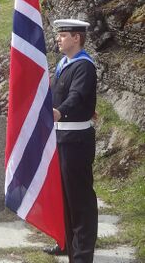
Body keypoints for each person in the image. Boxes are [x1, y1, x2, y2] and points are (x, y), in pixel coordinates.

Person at [43, 19, 98, 262]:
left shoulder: (84, 66)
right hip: (60, 136)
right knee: (63, 195)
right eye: (59, 35)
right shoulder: (63, 63)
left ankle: (83, 254)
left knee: (80, 197)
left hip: (75, 138)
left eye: (63, 35)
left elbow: (76, 95)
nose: (58, 38)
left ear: (77, 38)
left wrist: (60, 111)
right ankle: (66, 243)